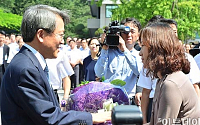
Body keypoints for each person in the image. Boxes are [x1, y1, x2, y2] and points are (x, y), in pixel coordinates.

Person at [1, 4, 110, 125]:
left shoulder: (29, 62)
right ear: (41, 35)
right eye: (61, 35)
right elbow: (49, 118)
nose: (63, 42)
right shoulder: (25, 69)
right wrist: (92, 117)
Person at [138, 18, 200, 124]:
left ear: (157, 49)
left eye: (143, 46)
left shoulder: (171, 84)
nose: (140, 53)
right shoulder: (162, 80)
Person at [94, 17, 143, 104]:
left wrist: (125, 50)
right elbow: (98, 73)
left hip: (128, 99)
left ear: (138, 35)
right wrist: (104, 49)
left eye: (132, 32)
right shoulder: (109, 53)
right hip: (109, 99)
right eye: (125, 32)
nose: (129, 35)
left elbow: (138, 71)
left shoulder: (139, 55)